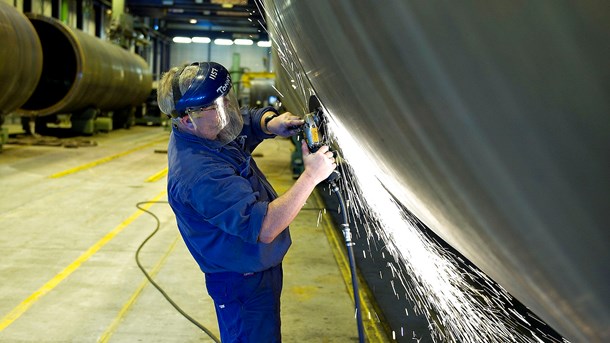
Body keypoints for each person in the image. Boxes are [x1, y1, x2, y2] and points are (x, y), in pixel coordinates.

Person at [157, 61, 337, 342]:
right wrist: (311, 176)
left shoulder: (208, 129)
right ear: (186, 118)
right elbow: (265, 227)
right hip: (241, 283)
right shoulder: (200, 173)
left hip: (255, 271)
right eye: (216, 107)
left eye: (225, 100)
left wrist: (270, 123)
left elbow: (240, 122)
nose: (225, 111)